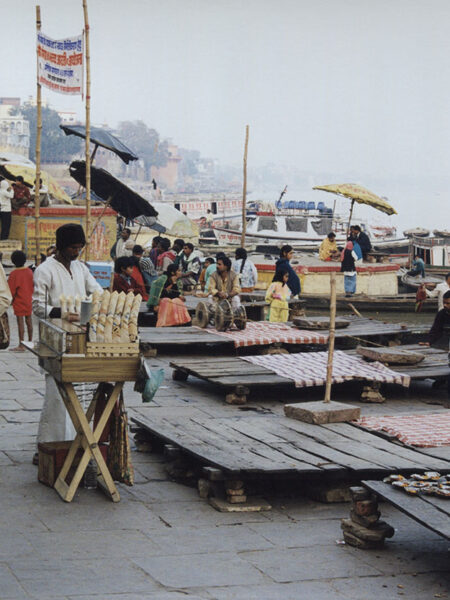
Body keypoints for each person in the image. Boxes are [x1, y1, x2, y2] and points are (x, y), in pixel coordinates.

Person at [32, 224, 102, 460]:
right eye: (73, 247)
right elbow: (38, 307)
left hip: (79, 341)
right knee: (55, 396)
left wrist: (102, 302)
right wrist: (65, 313)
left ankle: (73, 448)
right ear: (62, 246)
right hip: (53, 340)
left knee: (77, 396)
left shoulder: (81, 268)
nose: (77, 252)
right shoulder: (44, 270)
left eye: (80, 247)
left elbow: (96, 291)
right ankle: (47, 448)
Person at [8, 250, 33, 351]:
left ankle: (21, 344)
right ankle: (30, 342)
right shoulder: (29, 272)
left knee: (20, 322)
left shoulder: (14, 274)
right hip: (29, 299)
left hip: (19, 300)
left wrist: (10, 300)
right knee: (29, 321)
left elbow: (11, 289)